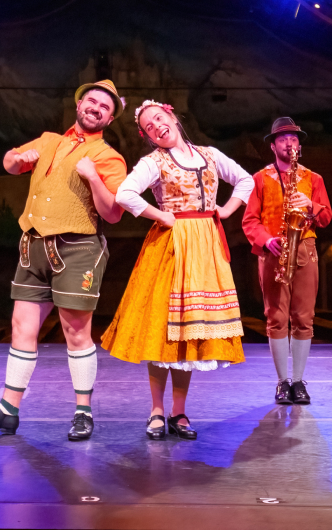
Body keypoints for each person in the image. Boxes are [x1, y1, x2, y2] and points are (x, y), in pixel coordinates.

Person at [0, 80, 128, 441]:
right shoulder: (49, 140)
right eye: (92, 101)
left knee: (76, 332)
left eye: (105, 107)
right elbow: (9, 163)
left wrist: (93, 178)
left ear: (110, 118)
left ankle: (83, 412)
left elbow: (113, 214)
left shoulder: (109, 157)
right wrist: (17, 158)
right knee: (22, 328)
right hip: (33, 245)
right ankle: (7, 409)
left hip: (77, 248)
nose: (96, 108)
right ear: (80, 103)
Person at [101, 99, 252, 441]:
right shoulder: (154, 162)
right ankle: (156, 410)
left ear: (172, 116)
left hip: (205, 247)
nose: (157, 126)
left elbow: (245, 181)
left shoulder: (210, 155)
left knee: (189, 332)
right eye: (149, 127)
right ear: (148, 136)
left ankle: (179, 411)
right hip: (171, 245)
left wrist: (227, 210)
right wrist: (160, 215)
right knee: (163, 329)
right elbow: (125, 195)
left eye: (159, 118)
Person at [241, 117, 332, 406]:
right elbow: (249, 221)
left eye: (294, 139)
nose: (290, 143)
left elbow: (326, 217)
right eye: (283, 139)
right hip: (273, 250)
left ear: (299, 145)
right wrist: (267, 240)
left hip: (305, 248)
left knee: (304, 319)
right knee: (277, 318)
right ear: (273, 145)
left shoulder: (313, 179)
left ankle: (298, 381)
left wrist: (311, 205)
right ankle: (282, 382)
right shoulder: (259, 178)